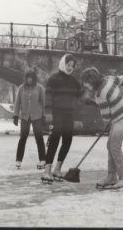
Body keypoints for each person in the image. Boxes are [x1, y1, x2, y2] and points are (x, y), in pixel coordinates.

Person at [81, 67, 123, 189]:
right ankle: (111, 177)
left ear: (92, 81)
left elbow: (106, 117)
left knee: (114, 147)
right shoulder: (109, 79)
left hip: (122, 118)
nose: (85, 85)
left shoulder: (100, 94)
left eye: (86, 82)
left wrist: (107, 124)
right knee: (110, 145)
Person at [41, 54, 84, 183]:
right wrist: (48, 112)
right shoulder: (53, 79)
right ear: (62, 64)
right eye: (68, 65)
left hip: (68, 115)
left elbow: (82, 97)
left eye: (72, 66)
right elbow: (48, 96)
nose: (70, 68)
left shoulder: (74, 82)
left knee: (67, 141)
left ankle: (57, 169)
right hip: (57, 114)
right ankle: (47, 171)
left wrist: (94, 101)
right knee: (54, 140)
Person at [13, 68, 46, 170]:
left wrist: (44, 116)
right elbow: (17, 102)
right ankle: (18, 160)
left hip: (37, 116)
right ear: (25, 78)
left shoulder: (40, 88)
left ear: (34, 78)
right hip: (25, 116)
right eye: (28, 78)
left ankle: (42, 159)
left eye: (31, 78)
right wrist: (15, 115)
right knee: (23, 137)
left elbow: (44, 102)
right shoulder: (21, 88)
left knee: (39, 137)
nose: (30, 80)